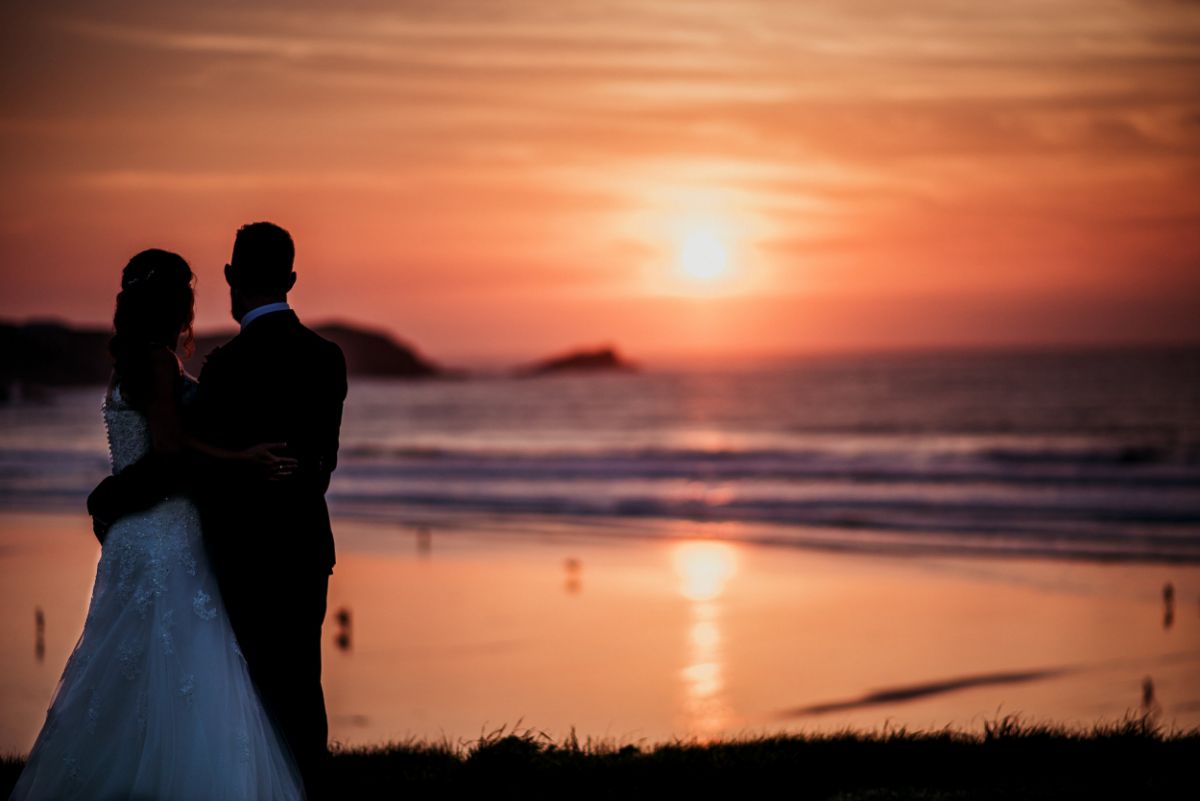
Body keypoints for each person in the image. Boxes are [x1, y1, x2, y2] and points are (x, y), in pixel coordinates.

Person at [10, 248, 306, 800]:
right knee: (182, 665)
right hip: (165, 534)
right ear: (179, 302)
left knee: (127, 670)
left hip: (130, 537)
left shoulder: (128, 363)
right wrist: (245, 459)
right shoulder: (157, 363)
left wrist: (109, 501)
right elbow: (169, 452)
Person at [86, 222, 348, 800]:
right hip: (304, 550)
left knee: (242, 691)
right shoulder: (328, 359)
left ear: (231, 279)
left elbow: (181, 462)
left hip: (238, 556)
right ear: (293, 279)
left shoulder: (225, 368)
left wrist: (108, 498)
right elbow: (317, 466)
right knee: (302, 689)